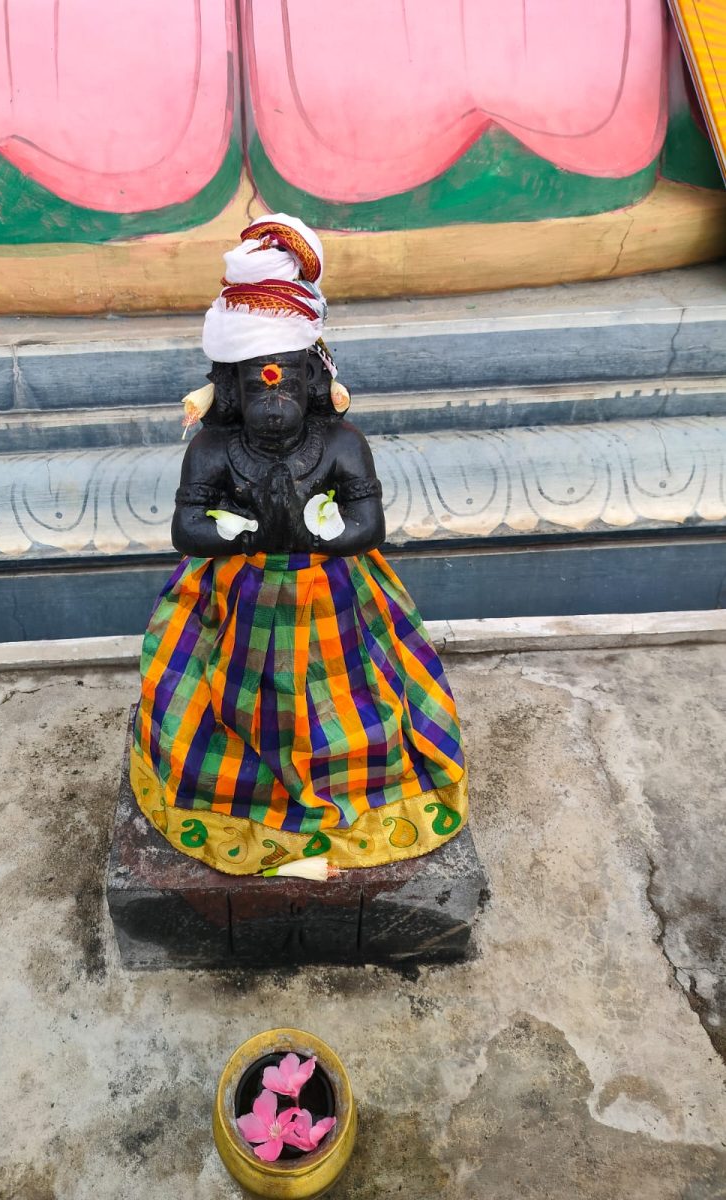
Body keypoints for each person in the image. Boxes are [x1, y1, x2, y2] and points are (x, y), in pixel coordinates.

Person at [131, 214, 467, 875]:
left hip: (332, 596)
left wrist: (309, 534)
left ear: (313, 380)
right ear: (230, 389)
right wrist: (256, 534)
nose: (273, 401)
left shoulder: (342, 444)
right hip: (236, 598)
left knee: (355, 698)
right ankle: (235, 786)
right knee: (219, 697)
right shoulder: (213, 449)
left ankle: (358, 779)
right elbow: (186, 530)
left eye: (285, 378)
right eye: (256, 383)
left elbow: (369, 527)